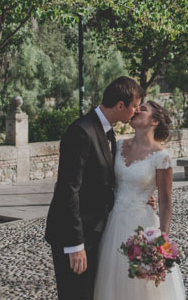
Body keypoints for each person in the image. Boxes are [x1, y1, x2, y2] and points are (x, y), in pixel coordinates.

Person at [45, 76, 144, 300]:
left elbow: (103, 183)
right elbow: (68, 190)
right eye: (135, 106)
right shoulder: (81, 131)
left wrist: (138, 198)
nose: (136, 112)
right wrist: (75, 245)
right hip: (74, 235)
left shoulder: (107, 131)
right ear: (120, 105)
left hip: (96, 232)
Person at [93, 100, 187, 300]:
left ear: (153, 121)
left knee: (142, 287)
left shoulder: (162, 157)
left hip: (143, 228)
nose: (136, 110)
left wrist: (161, 242)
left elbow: (165, 202)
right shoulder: (117, 145)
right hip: (113, 224)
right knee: (113, 283)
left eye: (142, 109)